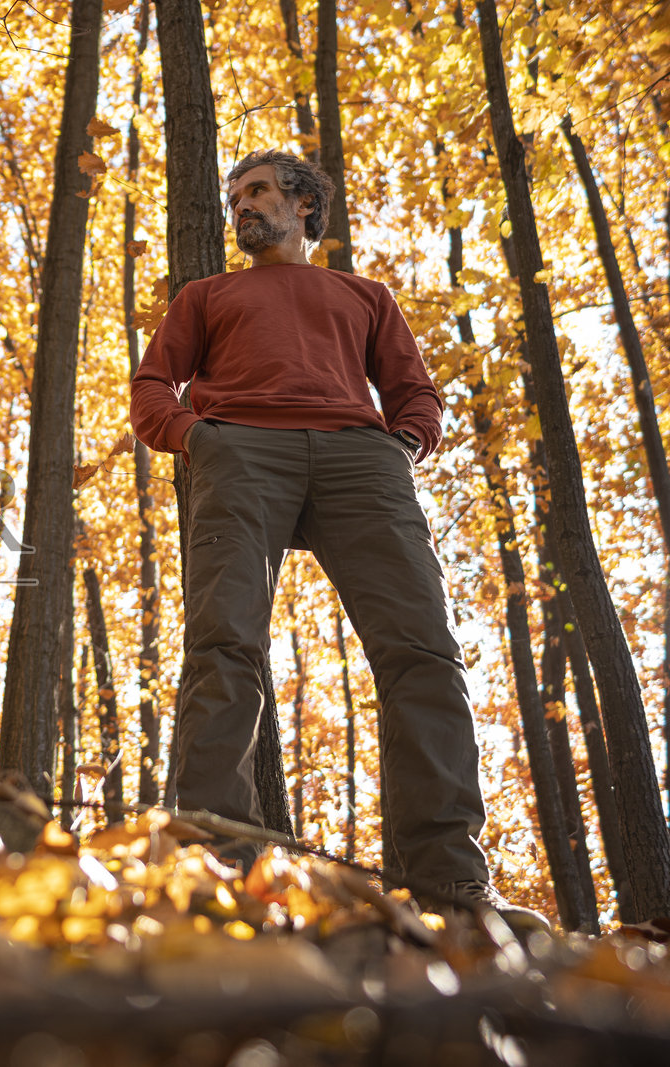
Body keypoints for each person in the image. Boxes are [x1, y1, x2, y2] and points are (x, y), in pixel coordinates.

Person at [129, 149, 544, 928]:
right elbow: (153, 384)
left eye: (255, 192)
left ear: (305, 206)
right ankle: (216, 874)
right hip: (241, 450)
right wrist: (194, 438)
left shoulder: (364, 295)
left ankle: (449, 882)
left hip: (362, 461)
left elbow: (415, 391)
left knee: (422, 649)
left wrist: (403, 445)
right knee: (225, 645)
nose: (241, 207)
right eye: (233, 198)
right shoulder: (206, 295)